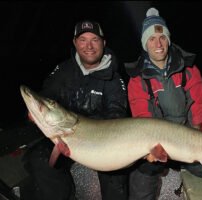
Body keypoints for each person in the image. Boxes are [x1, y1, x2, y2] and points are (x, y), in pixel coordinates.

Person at [22, 20, 129, 200]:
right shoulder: (63, 71)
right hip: (65, 133)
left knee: (115, 176)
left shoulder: (114, 79)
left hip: (101, 142)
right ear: (75, 43)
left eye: (94, 39)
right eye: (83, 40)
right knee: (38, 160)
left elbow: (116, 115)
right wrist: (33, 113)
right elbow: (47, 95)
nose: (89, 46)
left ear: (104, 43)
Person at [126, 8, 202, 200]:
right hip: (157, 140)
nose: (158, 43)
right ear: (145, 44)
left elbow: (200, 107)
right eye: (151, 38)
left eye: (162, 37)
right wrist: (150, 148)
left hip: (188, 137)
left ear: (168, 39)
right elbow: (143, 118)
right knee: (141, 172)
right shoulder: (136, 80)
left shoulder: (189, 69)